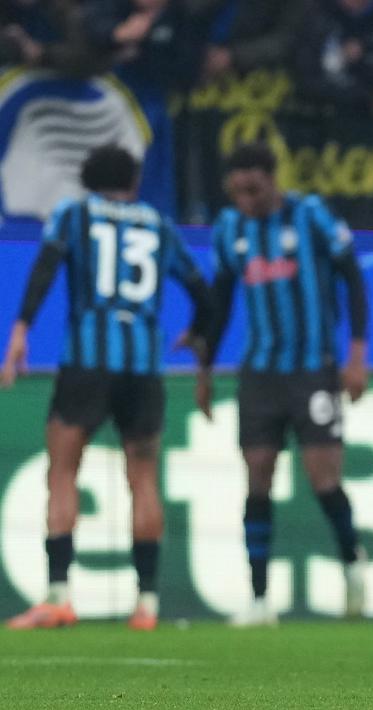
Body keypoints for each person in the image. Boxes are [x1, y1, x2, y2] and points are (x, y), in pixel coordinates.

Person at [2, 145, 213, 631]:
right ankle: (148, 605)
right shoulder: (158, 224)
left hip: (86, 363)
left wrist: (20, 329)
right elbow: (202, 291)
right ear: (134, 183)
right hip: (143, 366)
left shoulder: (74, 215)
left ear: (87, 179)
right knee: (142, 478)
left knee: (62, 472)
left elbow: (46, 267)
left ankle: (58, 596)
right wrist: (198, 333)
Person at [202, 142, 370, 626]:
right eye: (237, 191)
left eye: (253, 189)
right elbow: (222, 298)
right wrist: (206, 369)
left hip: (312, 367)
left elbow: (353, 279)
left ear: (274, 179)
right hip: (259, 371)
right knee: (257, 475)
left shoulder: (311, 215)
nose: (245, 200)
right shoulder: (230, 228)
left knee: (323, 479)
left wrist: (357, 355)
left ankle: (352, 565)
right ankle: (258, 599)